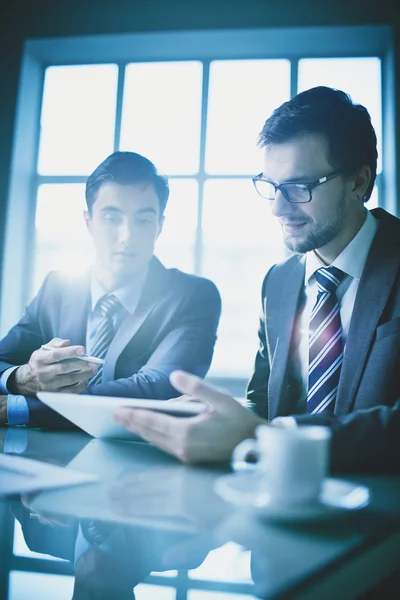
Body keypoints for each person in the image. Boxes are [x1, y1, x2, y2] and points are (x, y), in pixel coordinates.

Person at [114, 87, 400, 474]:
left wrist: (268, 438)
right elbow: (264, 407)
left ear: (358, 182)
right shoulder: (279, 283)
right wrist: (217, 416)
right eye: (271, 187)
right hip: (282, 504)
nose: (278, 208)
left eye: (299, 188)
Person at [0, 151, 221, 427]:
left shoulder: (193, 295)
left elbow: (157, 388)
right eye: (111, 218)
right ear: (89, 221)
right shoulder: (56, 287)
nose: (127, 236)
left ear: (159, 226)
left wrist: (21, 407)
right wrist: (23, 378)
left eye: (143, 220)